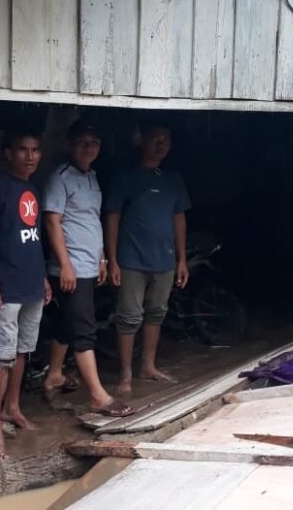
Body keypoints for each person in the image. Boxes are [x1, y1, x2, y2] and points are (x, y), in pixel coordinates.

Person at [42, 120, 133, 417]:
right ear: (69, 144)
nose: (88, 147)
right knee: (85, 330)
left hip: (88, 265)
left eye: (93, 142)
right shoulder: (60, 177)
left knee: (68, 325)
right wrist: (65, 266)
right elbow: (52, 222)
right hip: (71, 269)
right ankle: (98, 396)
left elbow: (92, 221)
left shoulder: (92, 177)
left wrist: (103, 258)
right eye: (82, 141)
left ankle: (55, 374)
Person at [0, 126, 52, 461]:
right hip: (5, 289)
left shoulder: (31, 189)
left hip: (32, 285)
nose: (30, 156)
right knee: (0, 357)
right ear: (8, 153)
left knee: (21, 352)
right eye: (22, 149)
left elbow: (33, 241)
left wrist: (44, 278)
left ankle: (13, 408)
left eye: (34, 150)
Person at [104, 120, 191, 395]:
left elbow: (179, 218)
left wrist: (182, 259)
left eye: (166, 138)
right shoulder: (126, 177)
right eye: (155, 137)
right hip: (131, 260)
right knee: (129, 317)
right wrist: (112, 258)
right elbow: (112, 217)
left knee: (156, 314)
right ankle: (126, 374)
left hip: (164, 260)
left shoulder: (173, 178)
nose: (161, 143)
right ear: (141, 140)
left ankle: (148, 366)